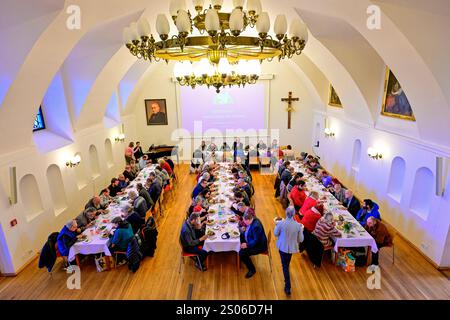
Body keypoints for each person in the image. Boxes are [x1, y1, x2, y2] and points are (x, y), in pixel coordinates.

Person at [274, 206, 304, 295]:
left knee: (285, 266)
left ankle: (288, 286)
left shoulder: (281, 223)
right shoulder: (298, 225)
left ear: (286, 213)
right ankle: (287, 282)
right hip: (291, 248)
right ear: (294, 214)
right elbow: (301, 240)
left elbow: (276, 233)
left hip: (282, 247)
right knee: (286, 264)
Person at [239, 212, 268, 278]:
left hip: (258, 246)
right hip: (251, 239)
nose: (245, 223)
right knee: (240, 235)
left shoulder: (256, 226)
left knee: (242, 253)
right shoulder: (253, 219)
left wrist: (247, 245)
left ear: (249, 220)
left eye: (245, 221)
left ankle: (252, 269)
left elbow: (256, 240)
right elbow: (250, 229)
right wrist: (245, 229)